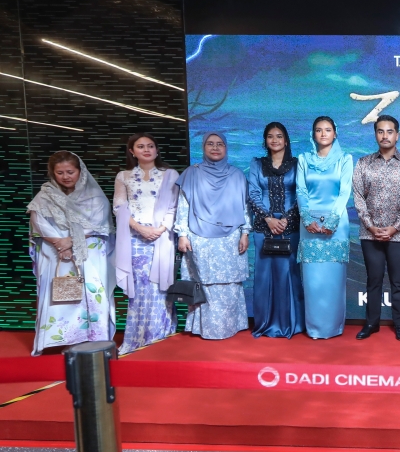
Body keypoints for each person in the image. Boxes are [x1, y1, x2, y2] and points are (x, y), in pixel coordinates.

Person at [28, 152, 115, 356]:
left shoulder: (94, 196)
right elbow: (38, 222)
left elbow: (99, 223)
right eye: (60, 172)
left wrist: (71, 241)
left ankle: (95, 339)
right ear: (52, 173)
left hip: (88, 251)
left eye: (70, 172)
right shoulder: (45, 195)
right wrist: (60, 244)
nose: (66, 176)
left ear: (80, 171)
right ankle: (58, 337)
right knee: (57, 296)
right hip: (55, 252)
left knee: (92, 293)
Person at [176, 132, 251, 340]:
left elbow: (244, 206)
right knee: (204, 282)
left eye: (220, 144)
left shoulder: (236, 174)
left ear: (226, 148)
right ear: (203, 147)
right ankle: (204, 328)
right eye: (210, 144)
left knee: (230, 283)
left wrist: (245, 232)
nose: (215, 147)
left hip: (230, 237)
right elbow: (183, 207)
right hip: (200, 236)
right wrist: (182, 234)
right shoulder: (191, 173)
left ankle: (231, 326)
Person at [353, 115, 400, 341]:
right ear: (375, 135)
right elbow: (359, 198)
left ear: (397, 135)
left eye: (389, 131)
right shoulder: (363, 164)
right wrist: (371, 227)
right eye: (380, 131)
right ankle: (371, 323)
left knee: (398, 282)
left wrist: (395, 227)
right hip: (369, 235)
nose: (385, 136)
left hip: (399, 235)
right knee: (374, 280)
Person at [114, 134, 179, 354]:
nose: (146, 150)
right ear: (132, 151)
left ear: (157, 150)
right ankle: (136, 338)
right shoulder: (123, 176)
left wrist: (159, 229)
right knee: (140, 289)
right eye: (140, 146)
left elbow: (174, 207)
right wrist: (140, 229)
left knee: (161, 287)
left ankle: (161, 336)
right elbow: (120, 208)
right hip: (134, 238)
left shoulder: (170, 175)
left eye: (150, 146)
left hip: (162, 237)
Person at [296, 116, 353, 339]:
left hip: (336, 225)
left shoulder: (345, 159)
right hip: (308, 224)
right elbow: (301, 191)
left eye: (327, 130)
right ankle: (314, 328)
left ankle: (333, 327)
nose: (323, 134)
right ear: (313, 134)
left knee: (333, 281)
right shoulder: (304, 159)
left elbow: (344, 192)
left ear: (335, 133)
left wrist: (331, 221)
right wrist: (307, 219)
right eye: (318, 130)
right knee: (313, 282)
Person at [246, 121, 304, 339]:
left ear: (286, 140)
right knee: (264, 276)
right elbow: (253, 194)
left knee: (289, 274)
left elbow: (301, 194)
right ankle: (264, 323)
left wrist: (286, 219)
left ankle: (291, 323)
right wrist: (269, 219)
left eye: (279, 136)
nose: (275, 140)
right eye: (270, 136)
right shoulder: (256, 164)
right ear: (265, 141)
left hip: (291, 226)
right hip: (263, 226)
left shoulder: (298, 164)